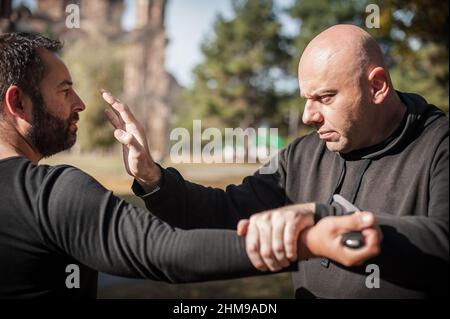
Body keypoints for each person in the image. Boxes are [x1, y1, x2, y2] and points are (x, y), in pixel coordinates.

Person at [0, 33, 381, 299]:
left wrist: (149, 174)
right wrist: (309, 239)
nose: (79, 103)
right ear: (17, 102)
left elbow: (227, 207)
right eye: (65, 90)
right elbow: (165, 250)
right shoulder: (48, 195)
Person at [114, 24, 449, 298]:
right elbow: (225, 213)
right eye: (306, 99)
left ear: (377, 86)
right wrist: (152, 178)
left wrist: (323, 217)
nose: (308, 116)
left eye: (325, 97)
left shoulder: (439, 144)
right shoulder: (301, 155)